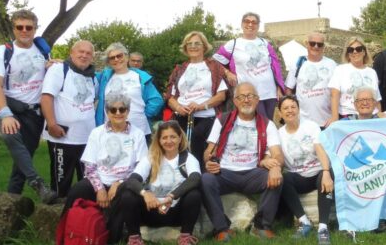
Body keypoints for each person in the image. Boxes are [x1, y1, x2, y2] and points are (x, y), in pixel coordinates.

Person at [0, 9, 56, 203]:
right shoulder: (3, 51)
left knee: (22, 159)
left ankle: (11, 201)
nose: (24, 31)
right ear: (13, 28)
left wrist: (52, 67)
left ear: (35, 29)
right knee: (11, 136)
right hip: (9, 107)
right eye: (19, 27)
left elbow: (46, 79)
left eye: (28, 27)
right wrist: (5, 114)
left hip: (34, 112)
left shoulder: (43, 51)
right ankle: (37, 182)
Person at [201, 82, 284, 241]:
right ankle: (222, 228)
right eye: (241, 97)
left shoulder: (267, 124)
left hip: (252, 172)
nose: (246, 100)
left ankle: (261, 226)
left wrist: (276, 167)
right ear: (235, 101)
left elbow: (277, 154)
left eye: (250, 96)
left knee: (277, 178)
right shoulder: (223, 120)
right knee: (206, 179)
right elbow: (208, 151)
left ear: (257, 100)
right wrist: (209, 161)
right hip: (225, 172)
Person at [64, 93, 148, 245]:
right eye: (113, 109)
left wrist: (120, 182)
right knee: (77, 190)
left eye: (122, 109)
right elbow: (89, 166)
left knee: (127, 195)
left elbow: (141, 167)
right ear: (107, 111)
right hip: (100, 180)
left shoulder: (138, 134)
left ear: (128, 111)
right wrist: (100, 189)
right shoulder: (97, 133)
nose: (117, 113)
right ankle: (67, 233)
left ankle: (113, 238)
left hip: (125, 182)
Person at [115, 121, 204, 245]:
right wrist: (145, 194)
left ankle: (185, 237)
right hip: (152, 210)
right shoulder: (151, 158)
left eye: (173, 137)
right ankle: (134, 239)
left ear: (180, 138)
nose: (169, 141)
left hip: (176, 212)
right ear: (159, 140)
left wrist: (171, 197)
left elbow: (195, 178)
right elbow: (132, 180)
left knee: (194, 194)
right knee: (128, 195)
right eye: (164, 137)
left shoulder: (188, 159)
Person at [163, 31, 228, 170]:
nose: (193, 46)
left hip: (206, 117)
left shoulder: (213, 67)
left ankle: (202, 180)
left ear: (204, 47)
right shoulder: (179, 70)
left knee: (198, 148)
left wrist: (201, 106)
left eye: (197, 43)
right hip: (182, 116)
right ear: (185, 48)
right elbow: (170, 97)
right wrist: (179, 108)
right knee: (179, 150)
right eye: (190, 44)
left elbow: (221, 95)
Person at [40, 40, 97, 198]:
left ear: (92, 57)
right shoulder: (59, 70)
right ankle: (58, 215)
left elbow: (93, 100)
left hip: (87, 138)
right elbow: (46, 97)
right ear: (71, 53)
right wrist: (51, 124)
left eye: (88, 53)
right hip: (63, 137)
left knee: (87, 182)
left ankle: (84, 214)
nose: (84, 55)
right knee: (61, 183)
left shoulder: (92, 77)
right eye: (80, 51)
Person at [277, 96, 334, 245]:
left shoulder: (311, 126)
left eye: (293, 106)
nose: (290, 110)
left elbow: (319, 148)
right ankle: (304, 222)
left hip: (317, 172)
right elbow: (274, 156)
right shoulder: (279, 134)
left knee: (326, 176)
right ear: (280, 113)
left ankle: (323, 228)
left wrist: (326, 171)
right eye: (286, 108)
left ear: (298, 109)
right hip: (299, 177)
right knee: (284, 179)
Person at [213, 12, 286, 120]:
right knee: (259, 124)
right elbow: (215, 61)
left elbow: (275, 66)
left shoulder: (264, 43)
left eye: (254, 22)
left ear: (258, 25)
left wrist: (279, 88)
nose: (250, 24)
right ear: (242, 24)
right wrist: (228, 73)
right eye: (247, 21)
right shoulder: (233, 44)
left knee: (269, 123)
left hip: (270, 92)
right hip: (249, 94)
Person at [96, 42, 163, 142]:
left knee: (139, 158)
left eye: (119, 55)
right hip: (110, 131)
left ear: (126, 57)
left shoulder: (140, 77)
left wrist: (143, 115)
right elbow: (85, 74)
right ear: (109, 62)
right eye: (112, 58)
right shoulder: (104, 77)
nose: (116, 59)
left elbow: (156, 100)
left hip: (138, 130)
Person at [285, 31, 337, 127]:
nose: (316, 46)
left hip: (326, 122)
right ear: (306, 44)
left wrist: (334, 116)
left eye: (319, 44)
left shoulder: (331, 64)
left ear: (323, 46)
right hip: (303, 122)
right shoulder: (298, 63)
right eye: (312, 43)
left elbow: (337, 92)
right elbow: (288, 89)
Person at [328, 36, 381, 120]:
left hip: (370, 117)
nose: (355, 52)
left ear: (364, 52)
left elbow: (376, 99)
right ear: (348, 54)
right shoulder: (340, 69)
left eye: (358, 49)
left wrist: (380, 115)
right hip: (348, 116)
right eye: (351, 50)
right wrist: (334, 117)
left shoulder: (372, 72)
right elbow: (334, 95)